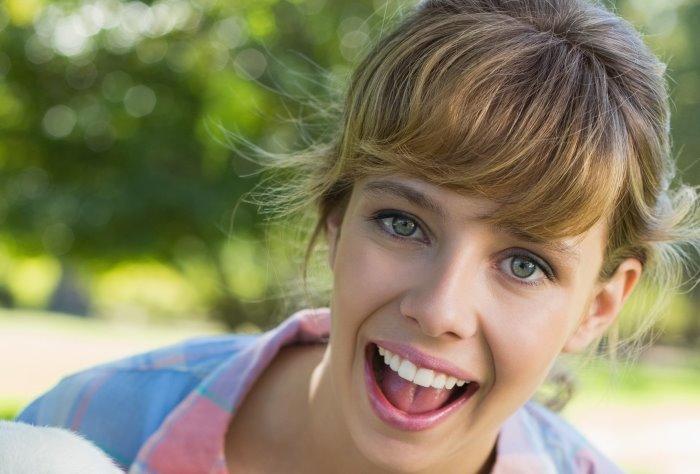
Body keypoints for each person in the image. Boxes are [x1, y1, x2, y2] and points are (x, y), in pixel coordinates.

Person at [17, 0, 699, 472]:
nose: (439, 309)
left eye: (524, 264)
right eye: (403, 223)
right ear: (337, 217)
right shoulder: (77, 432)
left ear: (598, 307)